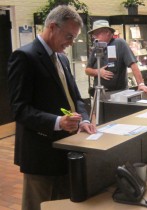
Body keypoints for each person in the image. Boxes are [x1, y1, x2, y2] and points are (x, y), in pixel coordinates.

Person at [7, 5, 96, 210]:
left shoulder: (62, 58)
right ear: (53, 27)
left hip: (66, 148)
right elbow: (19, 109)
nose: (71, 43)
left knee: (63, 204)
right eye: (68, 36)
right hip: (40, 153)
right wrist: (57, 122)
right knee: (38, 204)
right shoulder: (24, 57)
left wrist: (82, 119)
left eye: (74, 38)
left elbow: (76, 98)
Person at [85, 19, 147, 99]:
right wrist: (98, 72)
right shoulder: (97, 47)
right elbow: (87, 70)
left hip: (119, 93)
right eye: (94, 35)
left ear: (107, 32)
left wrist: (141, 84)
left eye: (97, 34)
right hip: (100, 94)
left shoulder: (120, 43)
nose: (95, 37)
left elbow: (133, 64)